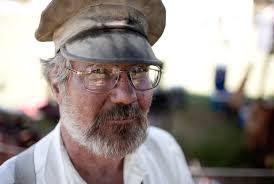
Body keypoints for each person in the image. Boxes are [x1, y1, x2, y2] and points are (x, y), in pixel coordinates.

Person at [0, 0, 194, 183]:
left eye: (138, 71)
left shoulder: (166, 153)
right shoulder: (15, 178)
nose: (126, 96)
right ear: (56, 84)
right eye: (99, 73)